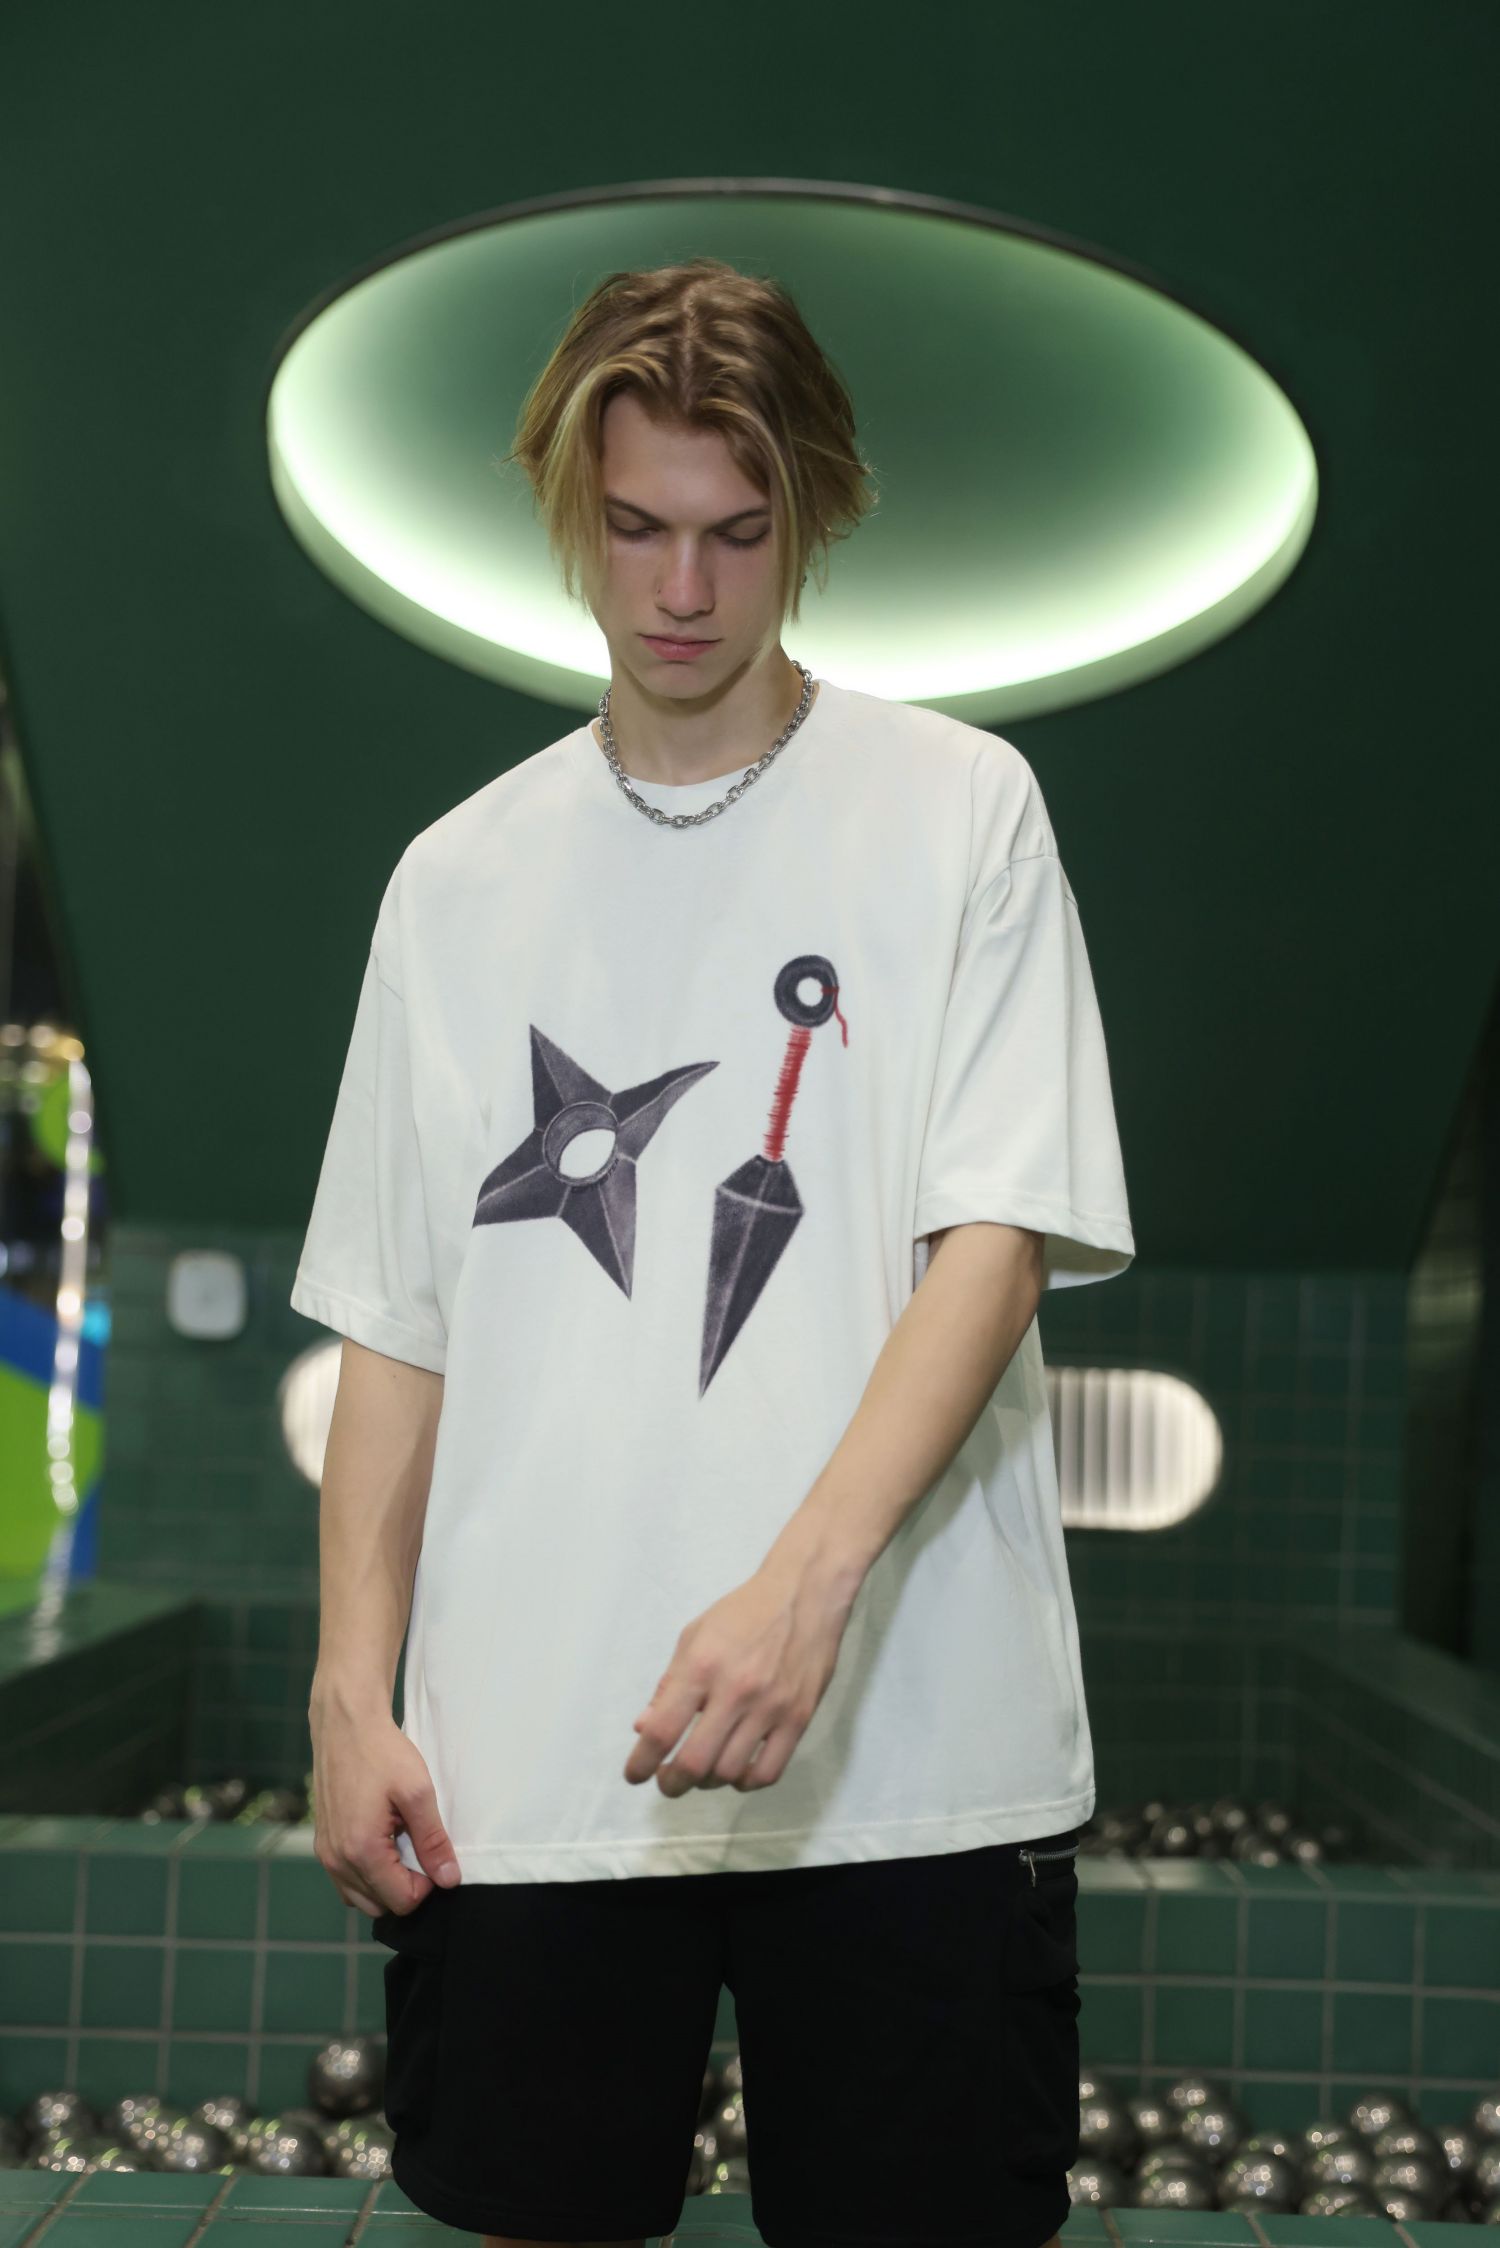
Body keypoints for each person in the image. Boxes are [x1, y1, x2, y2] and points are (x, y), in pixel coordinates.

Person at [291, 255, 1135, 2248]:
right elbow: (401, 1323)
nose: (683, 590)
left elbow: (995, 1241)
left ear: (811, 516)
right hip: (531, 1766)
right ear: (569, 510)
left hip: (913, 1754)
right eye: (638, 528)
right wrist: (346, 1686)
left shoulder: (962, 813)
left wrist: (798, 1589)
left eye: (740, 534)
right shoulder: (454, 880)